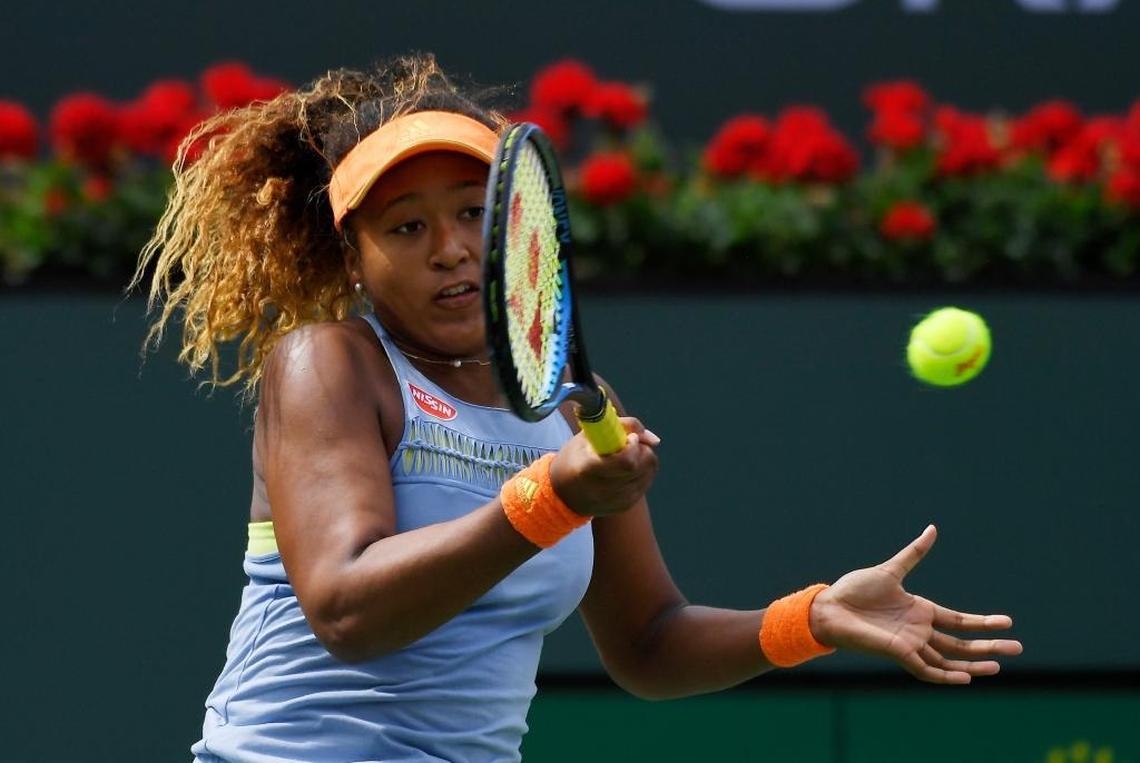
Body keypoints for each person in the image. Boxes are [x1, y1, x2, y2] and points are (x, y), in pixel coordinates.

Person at [132, 54, 1022, 763]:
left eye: (475, 213)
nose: (450, 249)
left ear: (518, 231)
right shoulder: (328, 363)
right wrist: (550, 498)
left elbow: (649, 641)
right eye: (407, 226)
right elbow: (347, 608)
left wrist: (809, 618)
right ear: (355, 258)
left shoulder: (567, 412)